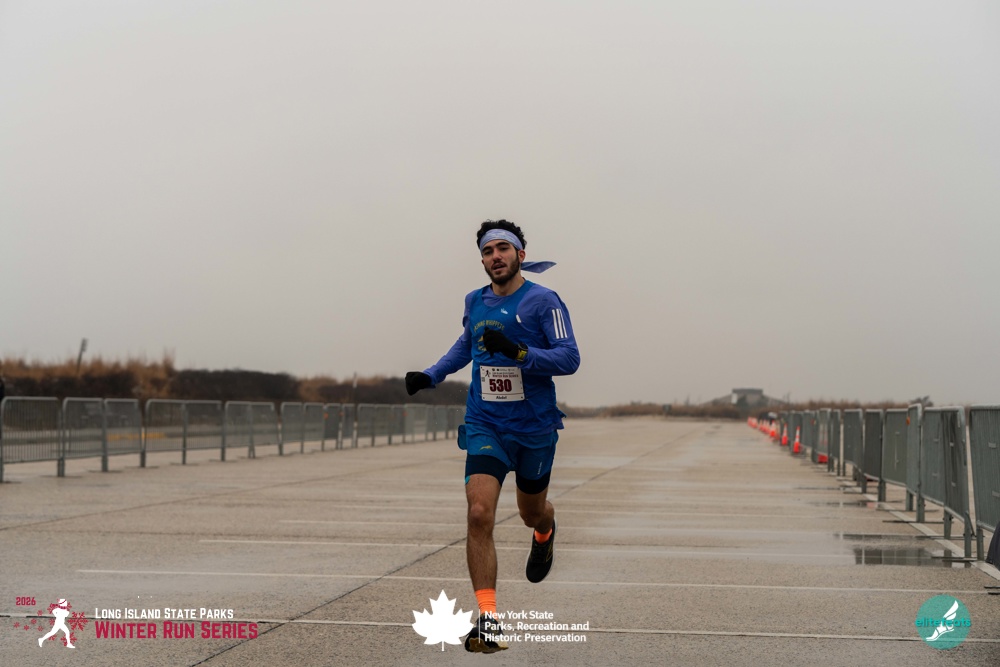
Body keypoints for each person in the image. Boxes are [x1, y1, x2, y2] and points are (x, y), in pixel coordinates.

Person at [405, 219, 580, 654]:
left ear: (521, 254)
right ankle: (488, 620)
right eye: (487, 251)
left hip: (534, 427)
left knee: (530, 513)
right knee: (479, 513)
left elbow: (569, 358)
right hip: (486, 423)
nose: (495, 257)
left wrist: (520, 353)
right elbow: (466, 345)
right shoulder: (475, 300)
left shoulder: (544, 301)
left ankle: (545, 531)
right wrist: (431, 374)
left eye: (503, 248)